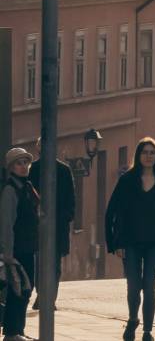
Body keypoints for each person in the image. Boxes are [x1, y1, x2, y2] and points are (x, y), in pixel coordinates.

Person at [105, 138, 155, 341]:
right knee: (133, 285)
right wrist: (115, 243)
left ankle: (148, 331)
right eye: (145, 152)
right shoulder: (127, 180)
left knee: (149, 286)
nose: (149, 156)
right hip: (130, 242)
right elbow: (112, 211)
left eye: (152, 153)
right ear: (138, 156)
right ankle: (132, 320)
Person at [28, 136, 75, 312]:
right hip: (37, 225)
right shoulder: (33, 170)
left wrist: (65, 218)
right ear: (38, 148)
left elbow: (71, 198)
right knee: (39, 263)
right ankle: (42, 294)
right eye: (42, 145)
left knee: (54, 265)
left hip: (58, 225)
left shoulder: (64, 170)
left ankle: (50, 298)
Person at [0, 148, 38, 341]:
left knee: (26, 289)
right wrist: (8, 253)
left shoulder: (27, 186)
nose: (24, 167)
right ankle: (11, 332)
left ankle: (17, 331)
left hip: (28, 247)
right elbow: (7, 223)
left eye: (26, 162)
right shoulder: (10, 190)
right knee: (18, 290)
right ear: (11, 167)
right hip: (16, 250)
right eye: (19, 163)